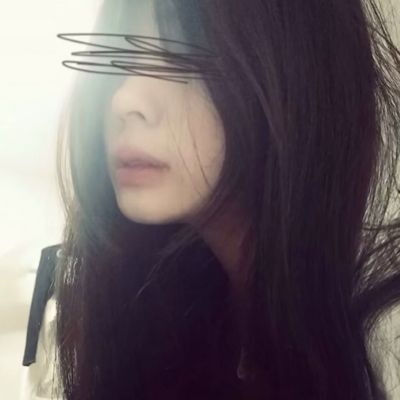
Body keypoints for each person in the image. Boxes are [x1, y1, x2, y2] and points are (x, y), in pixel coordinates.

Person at [21, 0, 400, 398]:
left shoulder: (375, 334)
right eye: (119, 58)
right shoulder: (173, 312)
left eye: (181, 53)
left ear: (294, 71)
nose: (123, 101)